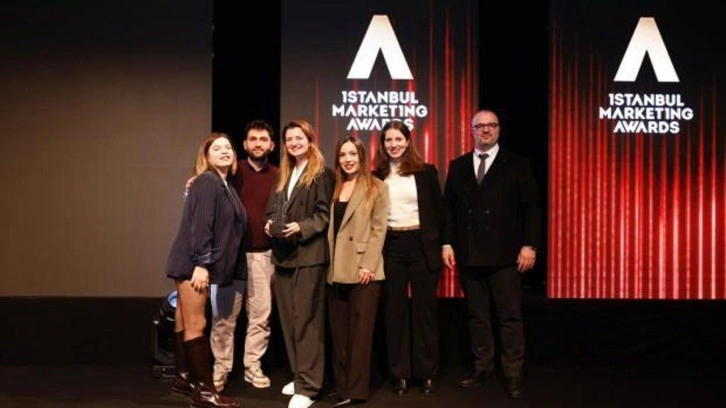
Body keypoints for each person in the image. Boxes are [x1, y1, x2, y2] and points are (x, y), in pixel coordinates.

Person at [441, 109, 542, 399]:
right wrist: (447, 244)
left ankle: (512, 373)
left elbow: (532, 207)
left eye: (491, 125)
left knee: (509, 317)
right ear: (472, 130)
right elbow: (449, 209)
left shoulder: (517, 164)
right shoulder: (458, 165)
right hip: (469, 254)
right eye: (480, 126)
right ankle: (482, 368)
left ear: (498, 129)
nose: (486, 130)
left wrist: (530, 245)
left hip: (506, 255)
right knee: (478, 317)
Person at [165, 132, 246, 408]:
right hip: (193, 263)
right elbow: (202, 224)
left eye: (228, 147)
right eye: (217, 148)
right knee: (197, 324)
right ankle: (204, 392)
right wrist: (201, 263)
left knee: (185, 320)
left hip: (193, 262)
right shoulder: (208, 181)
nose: (224, 150)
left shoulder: (224, 185)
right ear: (206, 156)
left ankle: (184, 378)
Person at [203, 120, 278, 391]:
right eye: (253, 139)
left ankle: (252, 366)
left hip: (263, 255)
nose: (258, 144)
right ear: (244, 145)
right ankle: (221, 367)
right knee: (223, 318)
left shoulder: (280, 175)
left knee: (260, 317)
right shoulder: (232, 171)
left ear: (272, 145)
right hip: (230, 256)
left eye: (263, 139)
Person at [264, 119, 334, 408]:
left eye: (299, 138)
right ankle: (299, 375)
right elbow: (272, 209)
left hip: (309, 256)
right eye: (289, 139)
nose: (294, 143)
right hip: (283, 256)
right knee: (289, 321)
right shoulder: (284, 173)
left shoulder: (322, 174)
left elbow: (323, 215)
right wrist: (269, 223)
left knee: (307, 322)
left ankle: (309, 387)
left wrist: (300, 228)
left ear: (310, 140)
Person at [373, 120, 444, 396]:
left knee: (425, 311)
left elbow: (438, 212)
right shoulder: (377, 175)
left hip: (421, 244)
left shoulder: (426, 172)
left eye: (398, 139)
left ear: (408, 141)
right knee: (395, 312)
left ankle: (427, 373)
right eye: (388, 140)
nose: (393, 144)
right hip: (391, 245)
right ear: (383, 144)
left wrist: (444, 244)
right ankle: (399, 374)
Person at [326, 136, 389, 407]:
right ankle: (342, 387)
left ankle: (356, 390)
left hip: (364, 269)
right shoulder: (334, 186)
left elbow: (379, 229)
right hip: (335, 268)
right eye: (343, 155)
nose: (348, 159)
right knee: (339, 333)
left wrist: (368, 264)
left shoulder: (377, 187)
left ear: (362, 156)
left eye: (352, 154)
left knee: (360, 335)